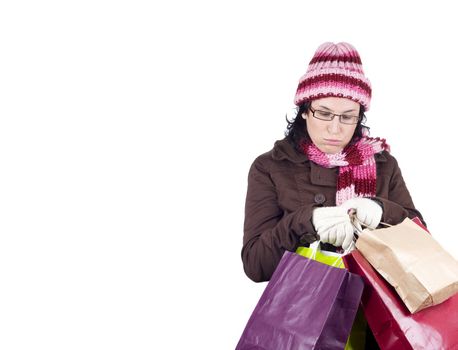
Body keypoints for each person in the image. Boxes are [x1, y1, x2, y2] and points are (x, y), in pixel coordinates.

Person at [242, 42, 424, 283]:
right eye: (324, 113)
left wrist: (381, 211)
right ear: (305, 110)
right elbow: (256, 266)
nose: (335, 128)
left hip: (378, 313)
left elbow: (422, 248)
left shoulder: (383, 164)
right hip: (304, 312)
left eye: (348, 116)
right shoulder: (271, 167)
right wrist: (307, 221)